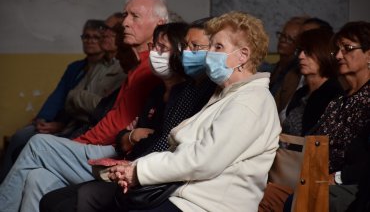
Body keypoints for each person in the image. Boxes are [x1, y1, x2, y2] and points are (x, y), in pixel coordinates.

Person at [0, 0, 166, 212]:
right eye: (125, 15)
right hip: (96, 145)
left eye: (135, 16)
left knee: (38, 144)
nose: (125, 23)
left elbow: (117, 128)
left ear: (160, 23)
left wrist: (77, 143)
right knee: (37, 178)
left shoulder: (152, 68)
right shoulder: (137, 67)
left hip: (111, 153)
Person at [106, 11, 281, 212]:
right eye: (212, 45)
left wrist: (139, 170)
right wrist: (134, 167)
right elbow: (186, 145)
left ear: (242, 56)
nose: (210, 54)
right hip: (185, 197)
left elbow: (203, 161)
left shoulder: (251, 102)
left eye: (218, 47)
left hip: (207, 207)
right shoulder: (226, 94)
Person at [39, 19, 218, 212]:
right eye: (185, 46)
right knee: (47, 192)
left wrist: (133, 162)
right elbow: (124, 134)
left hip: (157, 175)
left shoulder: (204, 91)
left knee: (38, 146)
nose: (187, 53)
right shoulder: (163, 91)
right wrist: (131, 137)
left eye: (194, 47)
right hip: (133, 162)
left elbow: (166, 141)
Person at [0, 19, 105, 183]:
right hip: (58, 120)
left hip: (75, 126)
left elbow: (89, 108)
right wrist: (42, 119)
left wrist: (61, 125)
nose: (90, 41)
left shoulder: (107, 69)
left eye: (96, 37)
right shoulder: (75, 67)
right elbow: (58, 96)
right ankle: (4, 184)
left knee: (25, 141)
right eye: (86, 36)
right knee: (20, 136)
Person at [311, 21, 370, 212]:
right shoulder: (338, 100)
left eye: (347, 49)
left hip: (351, 187)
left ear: (369, 54)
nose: (338, 56)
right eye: (337, 50)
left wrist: (337, 177)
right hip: (316, 179)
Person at [281, 28, 344, 135]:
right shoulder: (301, 93)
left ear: (323, 54)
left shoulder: (333, 95)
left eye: (308, 52)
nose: (301, 56)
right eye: (300, 51)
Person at [268, 16, 308, 95]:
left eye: (289, 39)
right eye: (282, 35)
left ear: (299, 44)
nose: (283, 40)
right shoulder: (271, 67)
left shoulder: (295, 74)